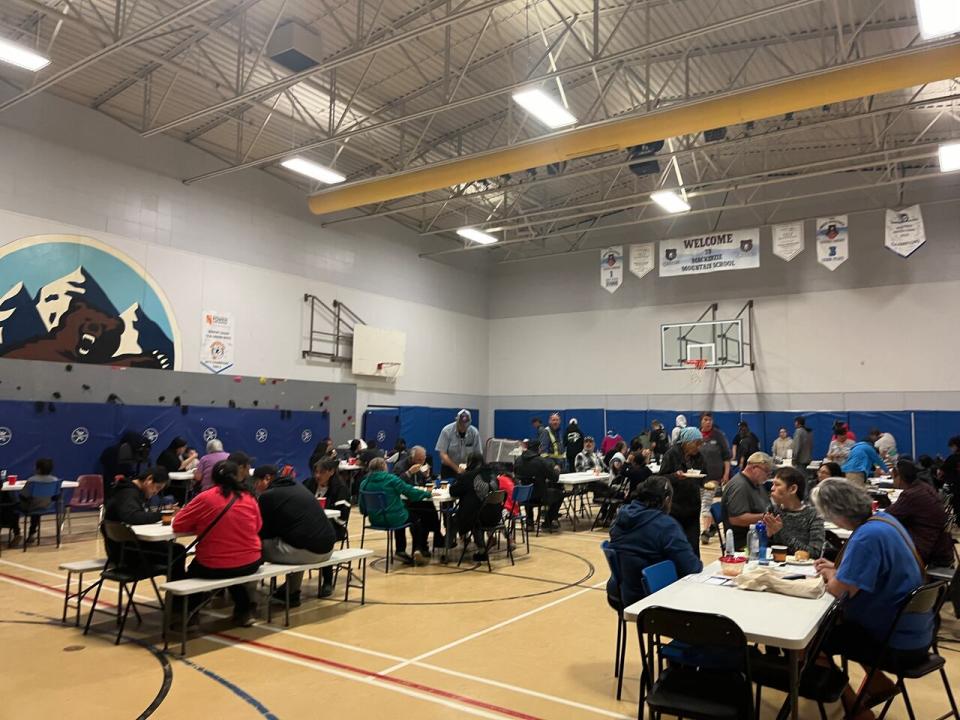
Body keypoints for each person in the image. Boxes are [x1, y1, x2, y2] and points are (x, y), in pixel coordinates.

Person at [812, 479, 932, 720]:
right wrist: (838, 572)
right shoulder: (886, 521)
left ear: (836, 514)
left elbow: (840, 591)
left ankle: (857, 709)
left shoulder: (867, 537)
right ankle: (878, 683)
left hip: (894, 642)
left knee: (810, 643)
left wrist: (831, 574)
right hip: (917, 634)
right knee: (838, 630)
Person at [173, 460, 263, 627]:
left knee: (198, 569)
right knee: (233, 569)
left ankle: (189, 615)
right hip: (251, 561)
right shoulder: (249, 498)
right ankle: (244, 611)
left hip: (214, 564)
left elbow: (178, 524)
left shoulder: (205, 497)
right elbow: (258, 526)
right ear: (238, 477)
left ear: (212, 478)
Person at [606, 476, 703, 607]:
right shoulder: (666, 526)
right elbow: (692, 568)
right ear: (667, 500)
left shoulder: (619, 518)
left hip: (620, 593)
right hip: (653, 598)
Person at [255, 460, 337, 606]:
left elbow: (263, 533)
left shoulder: (268, 496)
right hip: (328, 549)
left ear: (267, 478)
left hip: (309, 552)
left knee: (254, 547)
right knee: (297, 540)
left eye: (256, 482)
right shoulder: (297, 486)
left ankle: (247, 598)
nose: (255, 487)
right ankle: (291, 591)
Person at [103, 466, 187, 579]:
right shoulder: (128, 493)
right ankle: (177, 595)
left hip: (122, 548)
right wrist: (163, 514)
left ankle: (175, 588)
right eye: (156, 488)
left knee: (171, 549)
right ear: (149, 479)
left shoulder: (127, 490)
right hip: (127, 554)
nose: (156, 492)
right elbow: (133, 517)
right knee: (177, 551)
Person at [359, 457, 434, 566]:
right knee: (415, 518)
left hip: (375, 520)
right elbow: (409, 491)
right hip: (393, 518)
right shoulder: (391, 479)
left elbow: (362, 509)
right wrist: (427, 493)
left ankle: (401, 550)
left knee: (400, 516)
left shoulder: (364, 483)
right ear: (384, 467)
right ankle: (417, 550)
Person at [887, 460, 954, 567]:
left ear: (899, 476)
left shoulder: (911, 495)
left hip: (924, 548)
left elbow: (888, 517)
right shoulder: (924, 487)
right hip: (938, 545)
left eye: (893, 477)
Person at [658, 427, 705, 556]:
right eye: (697, 444)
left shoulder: (699, 457)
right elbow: (661, 478)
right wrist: (675, 476)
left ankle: (695, 572)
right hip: (675, 506)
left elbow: (703, 475)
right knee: (675, 544)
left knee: (693, 545)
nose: (699, 447)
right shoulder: (671, 454)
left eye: (700, 444)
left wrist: (704, 482)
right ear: (686, 442)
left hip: (693, 506)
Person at [305, 457, 353, 583]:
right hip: (309, 527)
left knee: (323, 538)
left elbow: (343, 518)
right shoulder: (309, 484)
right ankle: (292, 583)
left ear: (331, 472)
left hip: (333, 528)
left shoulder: (341, 489)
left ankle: (327, 580)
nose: (317, 475)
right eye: (316, 472)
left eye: (321, 472)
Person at [761, 466, 824, 557]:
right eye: (772, 484)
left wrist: (781, 532)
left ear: (793, 489)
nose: (772, 488)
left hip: (801, 569)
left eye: (777, 485)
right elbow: (759, 548)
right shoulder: (772, 511)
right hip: (772, 566)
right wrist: (766, 536)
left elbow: (814, 553)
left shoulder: (813, 515)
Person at [450, 454, 502, 560]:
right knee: (475, 512)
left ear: (470, 463)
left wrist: (460, 475)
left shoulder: (469, 476)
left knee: (454, 519)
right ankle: (480, 548)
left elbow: (453, 491)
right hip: (496, 516)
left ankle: (447, 547)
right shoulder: (493, 474)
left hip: (477, 518)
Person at [721, 452, 773, 551]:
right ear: (754, 468)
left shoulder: (756, 483)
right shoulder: (739, 486)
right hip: (745, 542)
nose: (768, 476)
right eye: (766, 471)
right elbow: (736, 519)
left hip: (760, 535)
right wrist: (766, 517)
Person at [514, 437, 562, 531]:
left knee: (528, 490)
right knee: (560, 494)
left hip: (523, 497)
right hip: (539, 496)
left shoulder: (518, 460)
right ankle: (547, 522)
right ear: (539, 448)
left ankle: (529, 523)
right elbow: (554, 478)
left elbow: (516, 475)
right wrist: (556, 470)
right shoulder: (541, 461)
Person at [698, 412, 731, 543]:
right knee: (704, 503)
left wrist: (726, 474)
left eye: (710, 420)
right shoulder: (696, 436)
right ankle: (711, 525)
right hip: (698, 477)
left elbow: (726, 457)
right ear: (701, 421)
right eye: (706, 419)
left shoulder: (718, 436)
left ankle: (705, 531)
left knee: (706, 503)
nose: (708, 422)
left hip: (714, 476)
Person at [15, 458, 60, 545]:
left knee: (13, 508)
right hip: (46, 506)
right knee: (36, 510)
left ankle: (17, 533)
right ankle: (32, 533)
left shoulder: (32, 480)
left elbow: (23, 496)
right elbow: (56, 497)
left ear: (38, 469)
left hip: (30, 506)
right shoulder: (55, 480)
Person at [435, 410, 481, 480]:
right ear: (456, 420)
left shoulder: (474, 432)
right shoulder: (446, 431)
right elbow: (442, 454)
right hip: (449, 468)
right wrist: (457, 469)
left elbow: (478, 454)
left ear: (470, 422)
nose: (463, 427)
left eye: (466, 424)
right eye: (461, 424)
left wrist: (471, 467)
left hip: (468, 469)